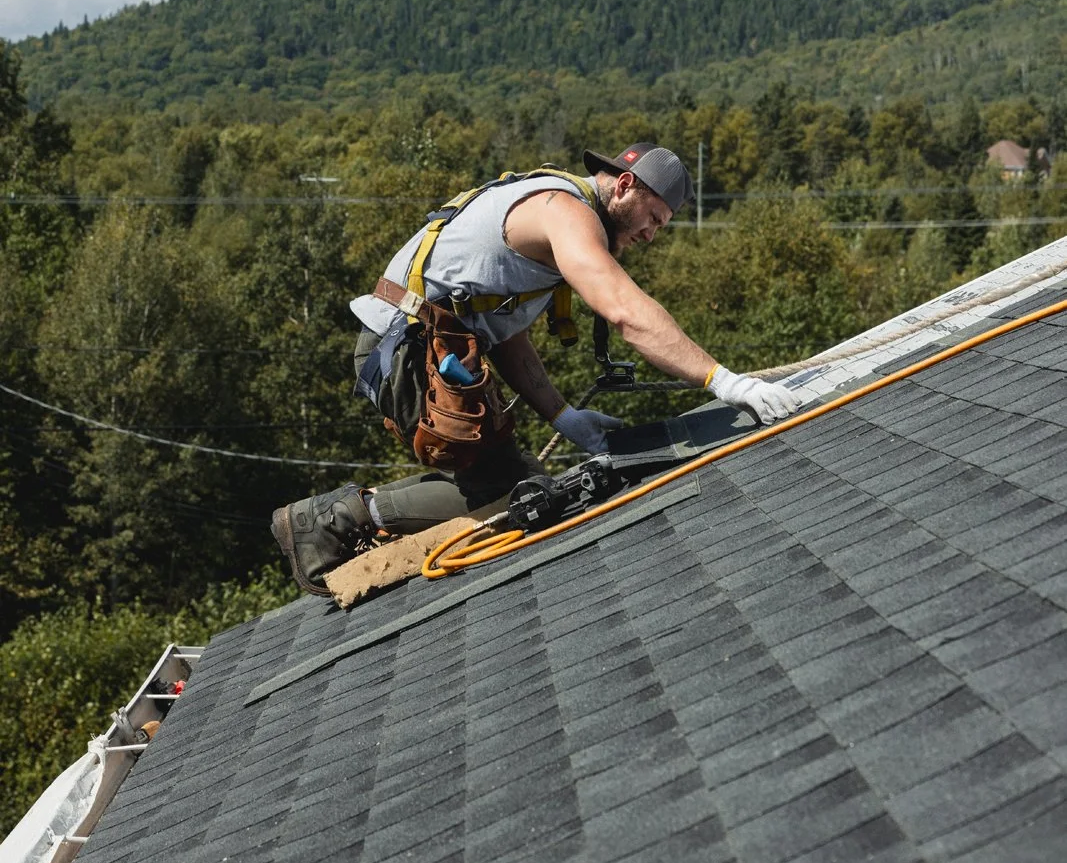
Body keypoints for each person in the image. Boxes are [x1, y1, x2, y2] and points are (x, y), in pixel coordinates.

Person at [272, 142, 798, 593]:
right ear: (626, 186)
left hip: (431, 348)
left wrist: (563, 414)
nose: (650, 236)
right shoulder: (563, 212)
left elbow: (505, 334)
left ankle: (350, 518)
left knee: (529, 486)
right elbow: (624, 310)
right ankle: (334, 519)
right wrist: (721, 380)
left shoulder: (551, 216)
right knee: (511, 495)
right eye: (654, 219)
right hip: (406, 351)